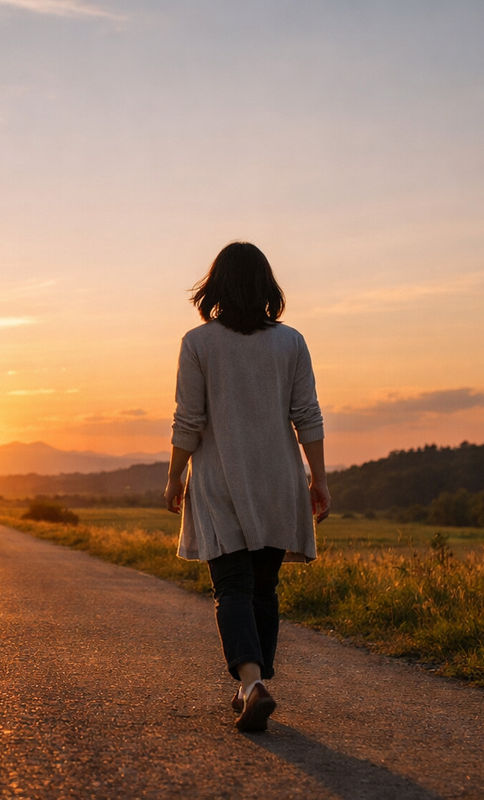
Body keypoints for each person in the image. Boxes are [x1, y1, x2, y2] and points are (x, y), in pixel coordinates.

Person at [163, 241, 330, 733]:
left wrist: (174, 475)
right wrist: (318, 478)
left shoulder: (198, 343)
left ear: (216, 286)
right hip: (279, 479)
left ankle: (250, 682)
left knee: (232, 585)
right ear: (265, 287)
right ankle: (254, 684)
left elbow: (188, 421)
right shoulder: (291, 342)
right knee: (262, 586)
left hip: (220, 480)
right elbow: (308, 416)